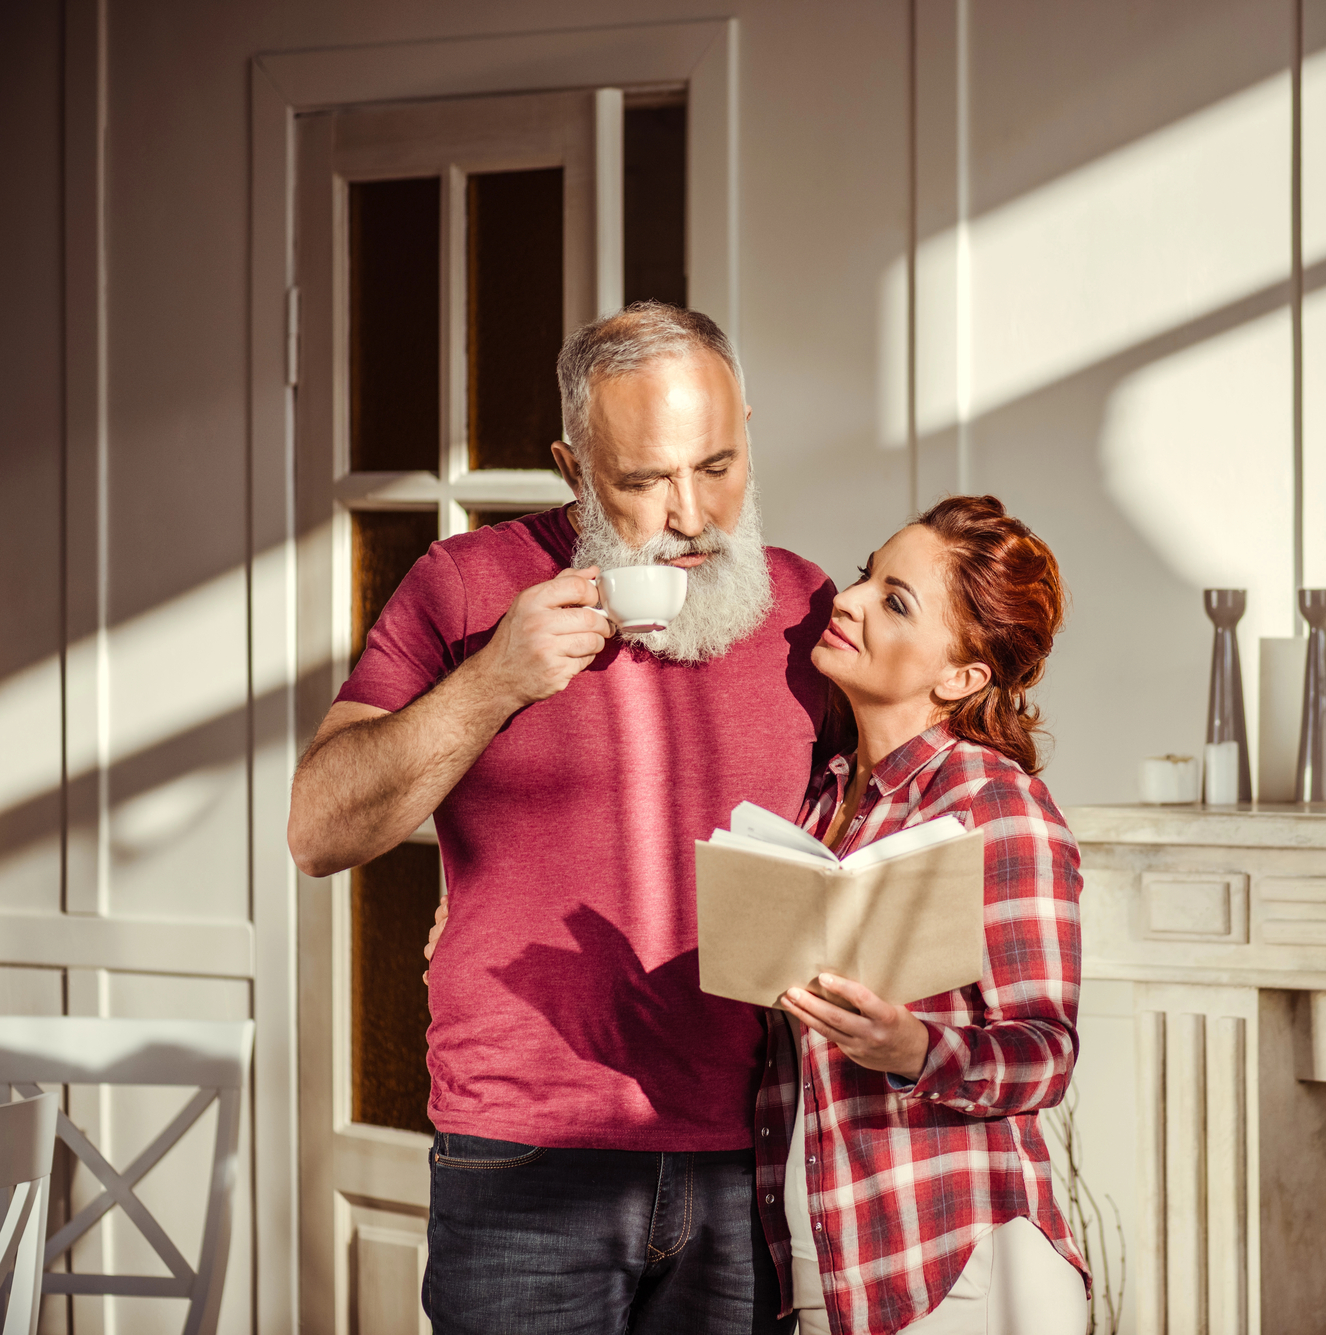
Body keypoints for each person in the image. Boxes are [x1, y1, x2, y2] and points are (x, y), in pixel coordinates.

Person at [290, 302, 833, 1335]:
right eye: (642, 481)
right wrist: (492, 680)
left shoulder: (808, 609)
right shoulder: (464, 588)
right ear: (574, 468)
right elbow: (319, 831)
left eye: (717, 465)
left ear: (749, 431)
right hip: (523, 1159)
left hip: (745, 1158)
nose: (691, 514)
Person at [767, 495, 1089, 1334]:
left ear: (961, 676)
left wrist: (914, 1051)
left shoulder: (996, 804)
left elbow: (1047, 1051)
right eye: (869, 573)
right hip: (826, 1257)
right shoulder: (821, 798)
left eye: (895, 600)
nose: (850, 599)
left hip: (962, 1269)